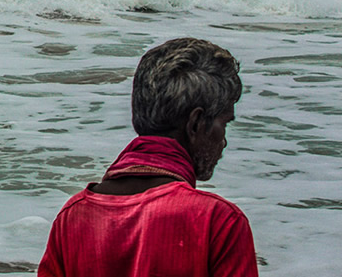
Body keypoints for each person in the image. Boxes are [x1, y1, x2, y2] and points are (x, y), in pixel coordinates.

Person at [38, 37, 257, 277]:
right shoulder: (218, 222)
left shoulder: (72, 218)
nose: (223, 141)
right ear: (195, 123)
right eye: (223, 124)